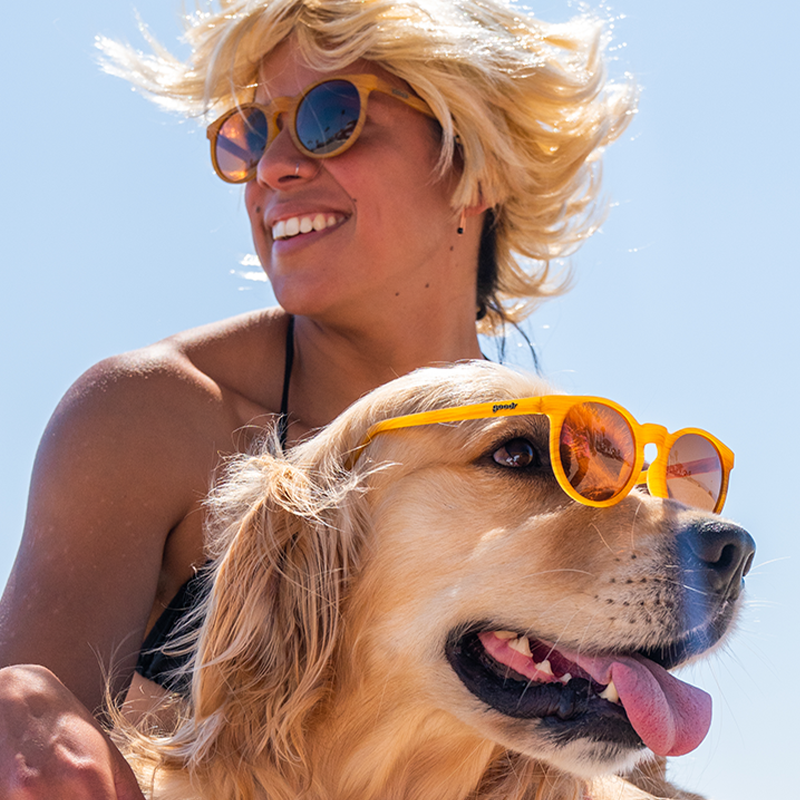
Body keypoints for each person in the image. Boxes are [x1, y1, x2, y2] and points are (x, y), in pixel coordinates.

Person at [0, 0, 635, 796]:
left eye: (331, 117)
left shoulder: (581, 469)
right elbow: (26, 745)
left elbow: (633, 761)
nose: (273, 169)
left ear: (478, 164)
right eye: (252, 134)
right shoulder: (154, 416)